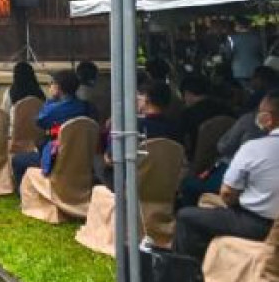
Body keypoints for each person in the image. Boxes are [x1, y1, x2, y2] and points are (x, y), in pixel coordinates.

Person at [174, 89, 279, 262]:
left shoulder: (254, 148)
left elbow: (227, 193)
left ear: (268, 118)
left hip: (257, 224)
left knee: (186, 216)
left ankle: (187, 276)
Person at [12, 70, 94, 194]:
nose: (49, 87)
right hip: (82, 157)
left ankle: (25, 196)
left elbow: (40, 120)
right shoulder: (86, 107)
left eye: (51, 84)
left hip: (58, 157)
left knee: (18, 160)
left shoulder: (54, 110)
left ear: (58, 87)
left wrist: (51, 99)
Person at [95, 80, 182, 188]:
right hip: (164, 185)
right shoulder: (175, 128)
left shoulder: (132, 126)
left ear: (146, 99)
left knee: (97, 162)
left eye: (139, 97)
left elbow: (111, 158)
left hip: (132, 184)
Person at [178, 74, 234, 161]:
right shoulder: (227, 109)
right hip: (227, 160)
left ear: (187, 93)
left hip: (198, 163)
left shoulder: (187, 115)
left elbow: (181, 143)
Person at [224, 18, 264, 89]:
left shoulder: (231, 39)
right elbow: (262, 52)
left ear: (238, 26)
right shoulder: (258, 37)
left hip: (239, 70)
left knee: (243, 90)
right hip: (256, 69)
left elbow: (228, 54)